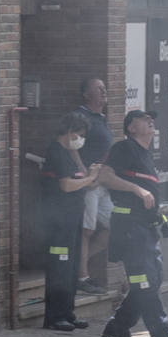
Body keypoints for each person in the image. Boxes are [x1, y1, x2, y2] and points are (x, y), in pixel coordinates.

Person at [97, 109, 168, 337]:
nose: (151, 121)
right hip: (129, 229)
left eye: (152, 118)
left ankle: (117, 327)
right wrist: (137, 190)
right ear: (131, 128)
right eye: (143, 118)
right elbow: (104, 176)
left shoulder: (145, 154)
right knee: (145, 283)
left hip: (146, 229)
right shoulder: (124, 149)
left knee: (151, 282)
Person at [40, 112, 102, 331]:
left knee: (71, 266)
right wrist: (91, 178)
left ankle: (68, 312)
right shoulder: (56, 152)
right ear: (69, 131)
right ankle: (55, 317)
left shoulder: (68, 153)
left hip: (72, 219)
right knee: (59, 267)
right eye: (80, 134)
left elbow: (82, 179)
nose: (81, 139)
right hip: (59, 221)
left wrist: (82, 163)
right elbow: (66, 185)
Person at [76, 77, 114, 295]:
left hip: (103, 184)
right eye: (98, 88)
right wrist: (85, 176)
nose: (104, 91)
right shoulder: (82, 117)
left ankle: (77, 263)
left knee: (113, 226)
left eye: (104, 87)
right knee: (87, 229)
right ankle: (82, 276)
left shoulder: (101, 118)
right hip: (89, 185)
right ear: (86, 94)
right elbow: (73, 147)